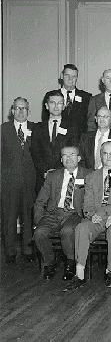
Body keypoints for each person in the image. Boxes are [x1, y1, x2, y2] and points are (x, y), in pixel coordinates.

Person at [64, 141, 111, 291]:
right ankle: (80, 273)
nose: (108, 156)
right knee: (81, 228)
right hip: (97, 215)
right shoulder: (92, 176)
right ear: (100, 155)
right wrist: (91, 215)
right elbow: (87, 202)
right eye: (105, 153)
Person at [33, 146, 89, 280]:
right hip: (53, 214)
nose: (68, 158)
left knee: (68, 231)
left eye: (72, 155)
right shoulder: (53, 176)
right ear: (61, 159)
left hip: (74, 214)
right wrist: (38, 220)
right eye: (65, 155)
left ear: (79, 158)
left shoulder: (89, 175)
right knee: (39, 233)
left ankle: (70, 263)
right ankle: (49, 262)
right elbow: (40, 201)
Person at [1, 97, 36, 264]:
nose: (21, 111)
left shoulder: (36, 129)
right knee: (9, 216)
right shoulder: (3, 129)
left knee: (28, 216)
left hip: (30, 181)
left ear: (29, 112)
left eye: (24, 109)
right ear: (12, 111)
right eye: (18, 108)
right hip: (9, 182)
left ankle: (28, 250)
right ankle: (10, 252)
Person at [32, 91, 79, 192]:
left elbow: (73, 151)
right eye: (53, 103)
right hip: (43, 178)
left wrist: (58, 172)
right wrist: (45, 171)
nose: (56, 106)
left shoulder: (72, 127)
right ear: (47, 105)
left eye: (60, 103)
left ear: (64, 106)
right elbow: (35, 153)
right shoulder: (38, 128)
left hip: (65, 176)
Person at [42, 64, 91, 133]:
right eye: (67, 75)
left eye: (73, 76)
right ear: (62, 76)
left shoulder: (86, 97)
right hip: (56, 137)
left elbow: (89, 121)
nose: (70, 79)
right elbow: (45, 118)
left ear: (77, 78)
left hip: (79, 139)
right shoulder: (51, 95)